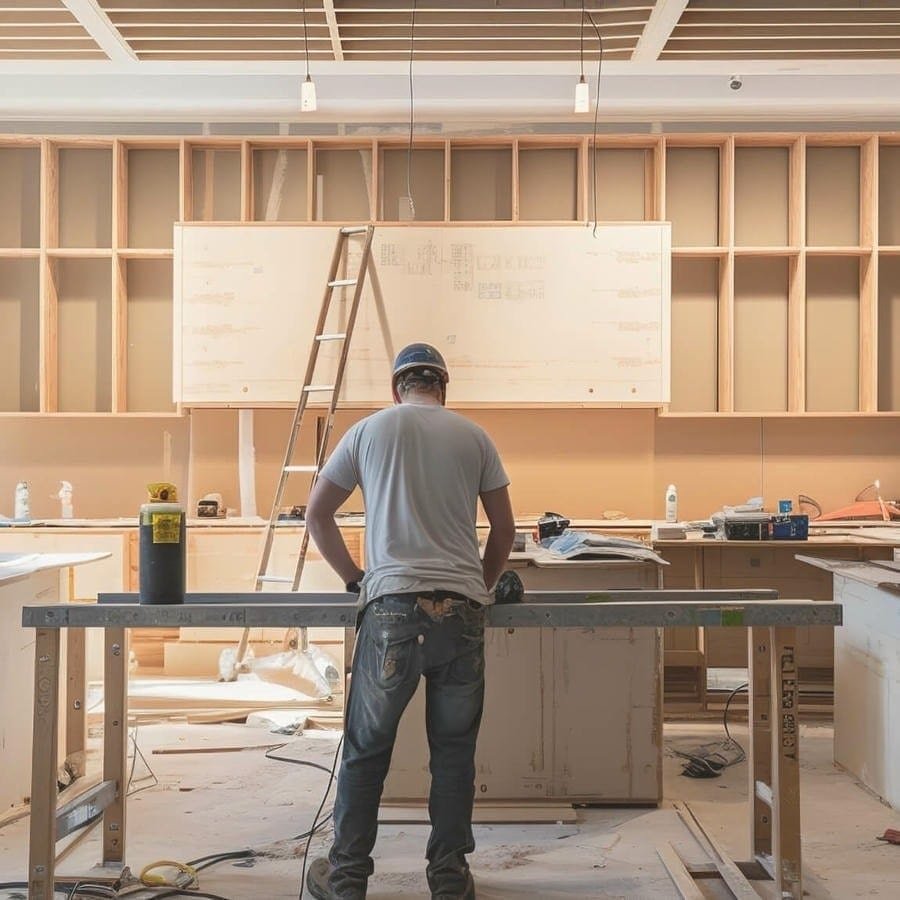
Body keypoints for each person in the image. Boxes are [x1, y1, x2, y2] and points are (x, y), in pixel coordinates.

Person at [304, 342, 515, 900]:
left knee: (367, 749)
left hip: (392, 609)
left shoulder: (368, 431)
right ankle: (448, 879)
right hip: (461, 613)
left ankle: (347, 879)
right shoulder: (474, 436)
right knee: (453, 752)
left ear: (396, 389)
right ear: (443, 387)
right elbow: (504, 530)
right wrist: (479, 587)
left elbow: (317, 514)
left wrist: (356, 578)